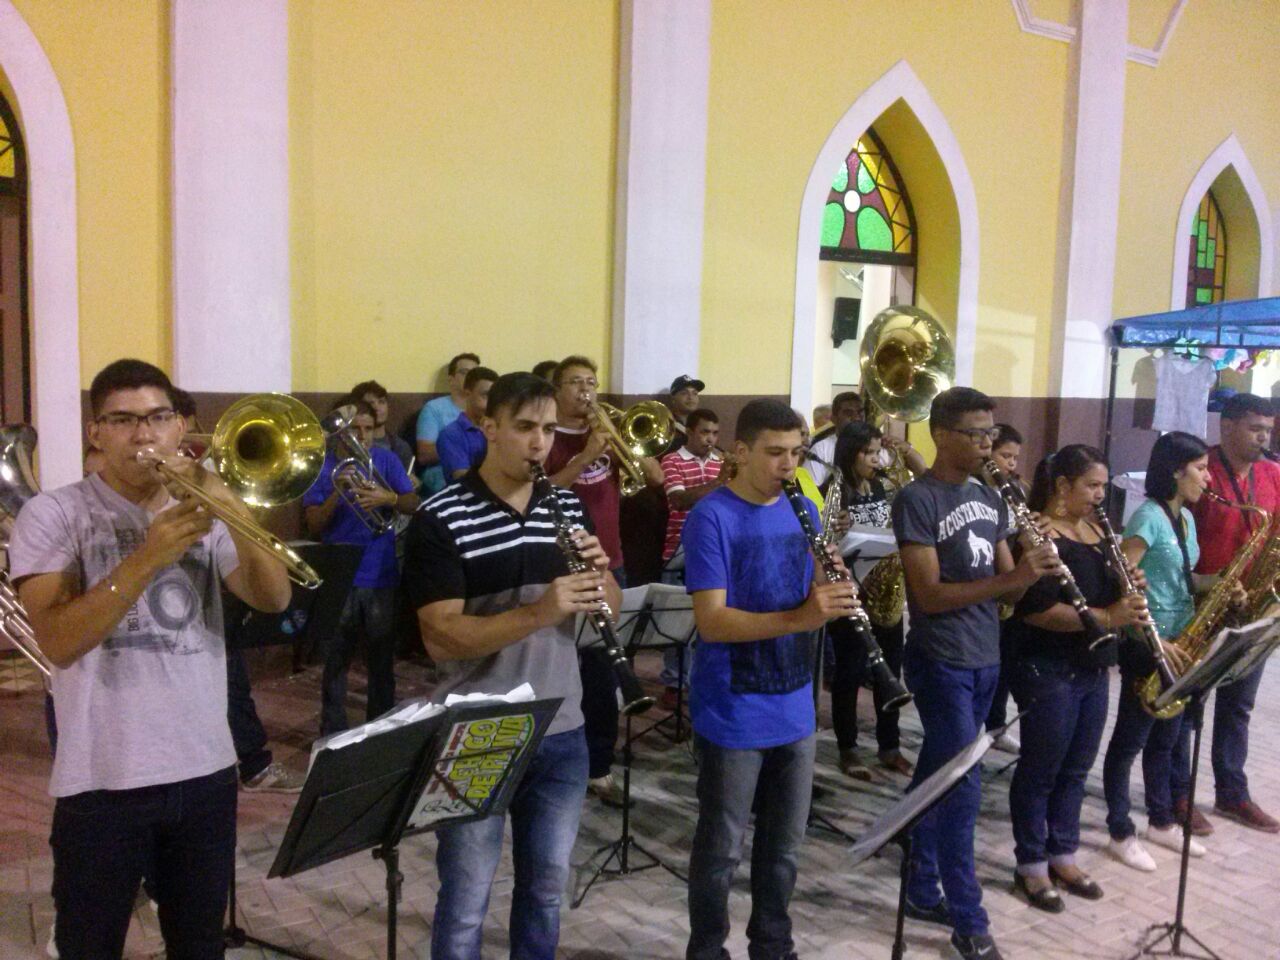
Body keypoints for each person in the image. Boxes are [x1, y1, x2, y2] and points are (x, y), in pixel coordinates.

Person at [9, 358, 294, 959]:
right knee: (90, 946)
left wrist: (232, 506)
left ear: (179, 426)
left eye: (158, 417)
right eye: (123, 420)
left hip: (206, 770)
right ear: (96, 432)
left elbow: (273, 597)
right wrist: (147, 555)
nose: (144, 434)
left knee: (199, 946)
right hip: (104, 780)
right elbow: (58, 641)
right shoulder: (54, 513)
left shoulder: (204, 508)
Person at [404, 372, 621, 960]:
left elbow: (609, 607)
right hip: (477, 732)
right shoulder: (442, 517)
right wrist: (539, 612)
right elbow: (441, 638)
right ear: (488, 427)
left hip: (563, 726)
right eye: (525, 427)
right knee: (466, 899)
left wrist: (601, 576)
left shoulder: (566, 506)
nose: (539, 443)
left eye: (548, 429)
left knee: (546, 892)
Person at [682, 399, 859, 960]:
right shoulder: (711, 516)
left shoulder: (802, 506)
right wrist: (802, 618)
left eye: (797, 453)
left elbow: (813, 590)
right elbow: (712, 622)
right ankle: (707, 949)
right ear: (740, 451)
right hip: (733, 710)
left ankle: (773, 945)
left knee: (784, 850)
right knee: (721, 850)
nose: (789, 465)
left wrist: (832, 582)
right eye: (775, 452)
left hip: (796, 705)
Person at [892, 386, 1058, 960]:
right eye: (976, 434)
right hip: (941, 658)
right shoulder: (917, 499)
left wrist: (1036, 562)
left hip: (986, 657)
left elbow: (1009, 592)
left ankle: (918, 882)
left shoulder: (991, 497)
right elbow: (929, 595)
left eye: (991, 433)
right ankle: (968, 918)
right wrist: (1012, 580)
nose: (988, 443)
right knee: (963, 787)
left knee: (938, 774)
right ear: (941, 435)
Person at [1007, 445, 1143, 912]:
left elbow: (1105, 596)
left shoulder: (1096, 532)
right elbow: (1036, 611)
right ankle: (1030, 864)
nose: (1101, 495)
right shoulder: (1039, 535)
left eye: (1104, 485)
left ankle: (1062, 854)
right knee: (1040, 770)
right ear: (1063, 485)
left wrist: (1128, 585)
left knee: (1076, 769)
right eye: (1092, 485)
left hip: (1091, 666)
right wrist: (1109, 616)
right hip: (1048, 667)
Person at [170, 388, 303, 793]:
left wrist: (229, 499)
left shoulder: (210, 470)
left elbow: (275, 596)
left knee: (230, 677)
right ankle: (250, 762)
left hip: (223, 589)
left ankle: (250, 762)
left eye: (171, 420)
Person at [544, 355, 662, 807]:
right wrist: (587, 456)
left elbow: (653, 478)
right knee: (559, 668)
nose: (586, 390)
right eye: (575, 382)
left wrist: (624, 445)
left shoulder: (608, 431)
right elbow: (542, 494)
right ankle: (553, 762)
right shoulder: (548, 436)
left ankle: (599, 767)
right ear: (557, 390)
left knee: (605, 673)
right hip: (559, 566)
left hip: (610, 563)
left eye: (591, 382)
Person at [1102, 431, 1215, 872]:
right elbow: (1121, 580)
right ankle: (1119, 829)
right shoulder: (1148, 517)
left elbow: (1184, 577)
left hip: (1181, 642)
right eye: (1200, 469)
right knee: (1130, 740)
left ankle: (1161, 820)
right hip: (1148, 643)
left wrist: (1224, 581)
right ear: (1175, 471)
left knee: (1168, 738)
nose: (1207, 478)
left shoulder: (1184, 518)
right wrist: (1151, 637)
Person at [1189, 393, 1280, 833]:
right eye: (1254, 428)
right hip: (1203, 605)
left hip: (1254, 605)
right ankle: (1177, 792)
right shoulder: (1201, 471)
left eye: (1268, 430)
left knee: (1239, 706)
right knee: (1189, 705)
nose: (1264, 438)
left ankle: (1232, 792)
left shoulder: (1272, 474)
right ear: (1226, 427)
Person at [304, 400, 418, 735]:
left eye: (368, 429)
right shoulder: (323, 468)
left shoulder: (386, 460)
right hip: (339, 575)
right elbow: (314, 524)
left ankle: (381, 729)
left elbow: (413, 503)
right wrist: (338, 493)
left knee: (381, 660)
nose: (362, 436)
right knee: (335, 660)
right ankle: (333, 732)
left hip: (380, 573)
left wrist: (389, 498)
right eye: (354, 429)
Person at [826, 421, 912, 780]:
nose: (876, 459)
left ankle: (889, 745)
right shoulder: (834, 490)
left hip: (885, 591)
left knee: (889, 670)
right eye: (868, 452)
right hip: (852, 591)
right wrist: (837, 529)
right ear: (850, 453)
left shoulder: (881, 486)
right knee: (849, 672)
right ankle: (847, 747)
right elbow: (823, 543)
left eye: (878, 452)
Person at [657, 408, 724, 706]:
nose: (710, 439)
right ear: (690, 432)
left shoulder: (720, 463)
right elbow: (679, 500)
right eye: (704, 432)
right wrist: (720, 482)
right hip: (679, 548)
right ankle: (674, 682)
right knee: (676, 622)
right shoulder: (672, 460)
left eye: (715, 433)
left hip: (714, 549)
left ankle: (702, 681)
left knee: (709, 620)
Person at [983, 423, 1025, 753]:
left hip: (1011, 585)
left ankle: (996, 725)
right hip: (987, 580)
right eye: (1005, 455)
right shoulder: (975, 490)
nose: (1011, 463)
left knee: (1005, 662)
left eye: (1015, 457)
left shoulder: (1014, 491)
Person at [416, 352, 480, 494]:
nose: (471, 378)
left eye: (475, 374)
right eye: (465, 372)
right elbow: (424, 454)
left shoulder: (485, 410)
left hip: (479, 472)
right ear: (451, 380)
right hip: (442, 474)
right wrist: (461, 451)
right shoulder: (434, 408)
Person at [437, 366, 497, 481]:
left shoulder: (500, 430)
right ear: (467, 394)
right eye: (486, 395)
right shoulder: (451, 434)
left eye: (494, 397)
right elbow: (463, 478)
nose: (491, 403)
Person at [351, 379, 415, 473]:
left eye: (381, 402)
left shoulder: (400, 446)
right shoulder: (351, 443)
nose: (377, 408)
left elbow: (409, 477)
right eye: (370, 403)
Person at [667, 374, 705, 448]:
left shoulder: (703, 423)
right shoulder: (666, 424)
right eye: (684, 393)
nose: (690, 397)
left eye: (695, 393)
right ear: (673, 399)